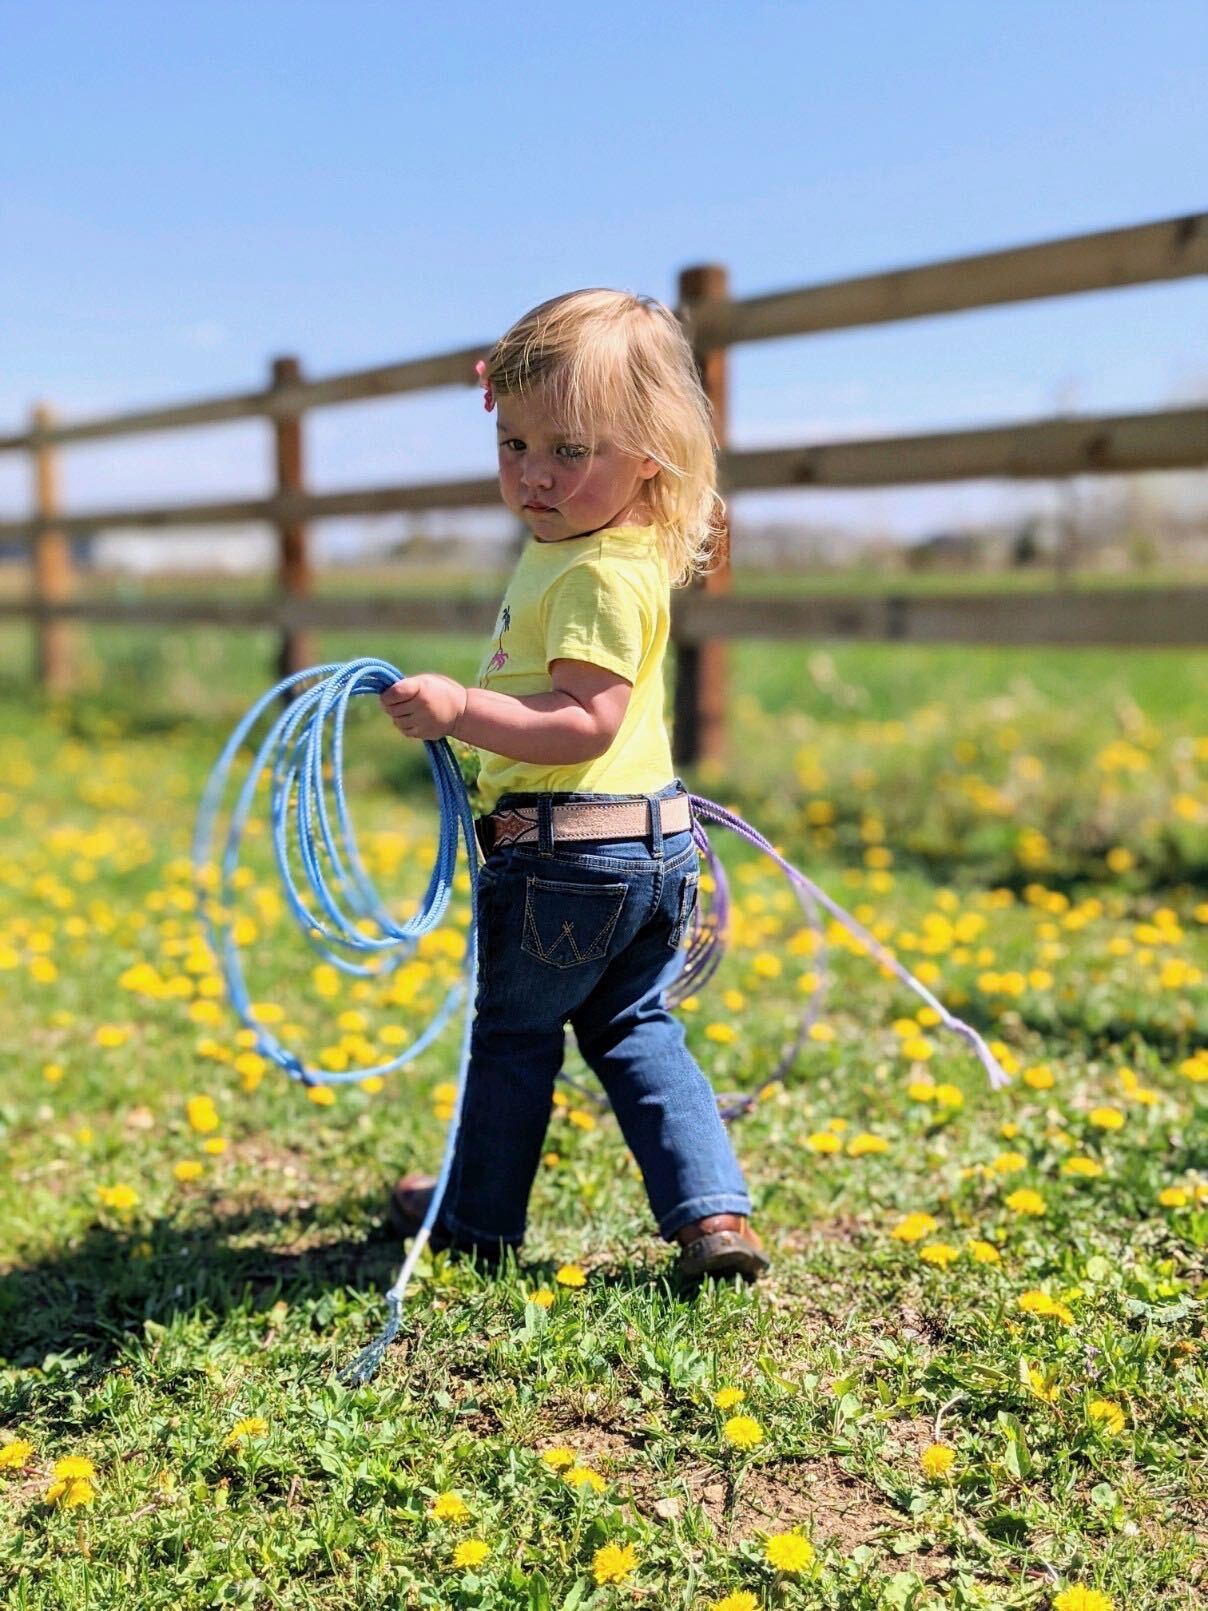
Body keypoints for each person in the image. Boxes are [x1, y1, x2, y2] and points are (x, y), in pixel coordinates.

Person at [378, 288, 769, 1286]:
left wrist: (461, 709)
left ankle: (475, 1220)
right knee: (635, 1025)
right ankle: (712, 1213)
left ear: (648, 456)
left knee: (513, 1038)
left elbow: (582, 722)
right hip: (649, 847)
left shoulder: (593, 572)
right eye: (514, 444)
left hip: (566, 857)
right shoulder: (605, 550)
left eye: (569, 450)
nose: (534, 475)